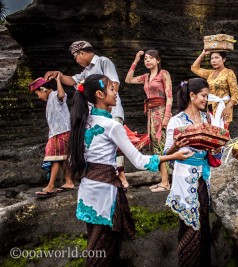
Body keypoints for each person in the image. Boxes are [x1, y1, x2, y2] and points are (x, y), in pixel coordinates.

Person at [67, 74, 193, 266]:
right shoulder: (112, 125)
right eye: (111, 89)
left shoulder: (83, 121)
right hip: (105, 194)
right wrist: (173, 156)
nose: (115, 92)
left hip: (87, 190)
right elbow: (140, 161)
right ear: (100, 94)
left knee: (95, 245)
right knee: (104, 251)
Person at [44, 41, 129, 189]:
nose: (76, 61)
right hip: (96, 115)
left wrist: (106, 104)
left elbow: (114, 84)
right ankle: (103, 175)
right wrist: (59, 75)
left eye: (76, 57)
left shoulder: (103, 62)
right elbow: (72, 81)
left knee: (116, 145)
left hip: (111, 111)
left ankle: (121, 177)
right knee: (100, 145)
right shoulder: (85, 72)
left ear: (82, 53)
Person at [165, 78, 221, 266]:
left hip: (203, 179)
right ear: (192, 95)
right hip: (184, 178)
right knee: (188, 226)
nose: (206, 99)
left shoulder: (208, 118)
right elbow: (166, 154)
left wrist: (216, 149)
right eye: (204, 95)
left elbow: (213, 149)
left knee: (204, 223)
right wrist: (175, 146)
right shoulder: (176, 120)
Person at [125, 50, 173, 192]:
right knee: (155, 147)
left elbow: (169, 96)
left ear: (158, 60)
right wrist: (136, 59)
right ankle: (163, 180)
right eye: (145, 59)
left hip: (161, 111)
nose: (147, 61)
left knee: (162, 145)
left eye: (151, 58)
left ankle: (166, 182)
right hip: (151, 114)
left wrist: (166, 117)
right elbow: (128, 79)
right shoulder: (146, 77)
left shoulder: (163, 74)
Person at [28, 74, 74, 198]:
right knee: (62, 158)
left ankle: (51, 186)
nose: (38, 97)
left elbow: (61, 95)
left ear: (43, 89)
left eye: (37, 93)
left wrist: (58, 80)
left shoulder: (54, 95)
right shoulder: (50, 99)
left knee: (54, 158)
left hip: (61, 132)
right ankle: (69, 181)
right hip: (58, 132)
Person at [191, 50, 238, 129]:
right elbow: (194, 68)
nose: (213, 60)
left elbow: (235, 94)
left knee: (223, 132)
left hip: (224, 106)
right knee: (212, 131)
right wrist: (203, 54)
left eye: (216, 57)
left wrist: (228, 107)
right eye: (212, 58)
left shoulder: (229, 73)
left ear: (224, 59)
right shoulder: (210, 73)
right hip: (210, 106)